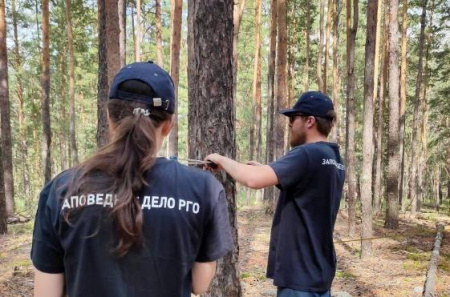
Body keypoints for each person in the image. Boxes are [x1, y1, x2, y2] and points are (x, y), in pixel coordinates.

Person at [31, 61, 233, 297]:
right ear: (168, 124)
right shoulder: (204, 189)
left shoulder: (63, 189)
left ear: (109, 117)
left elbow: (47, 292)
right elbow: (200, 284)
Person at [206, 91, 345, 297]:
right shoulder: (333, 158)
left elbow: (252, 180)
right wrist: (266, 169)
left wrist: (222, 160)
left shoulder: (306, 153)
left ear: (310, 121)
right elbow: (308, 191)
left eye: (293, 118)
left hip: (299, 277)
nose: (289, 124)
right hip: (319, 273)